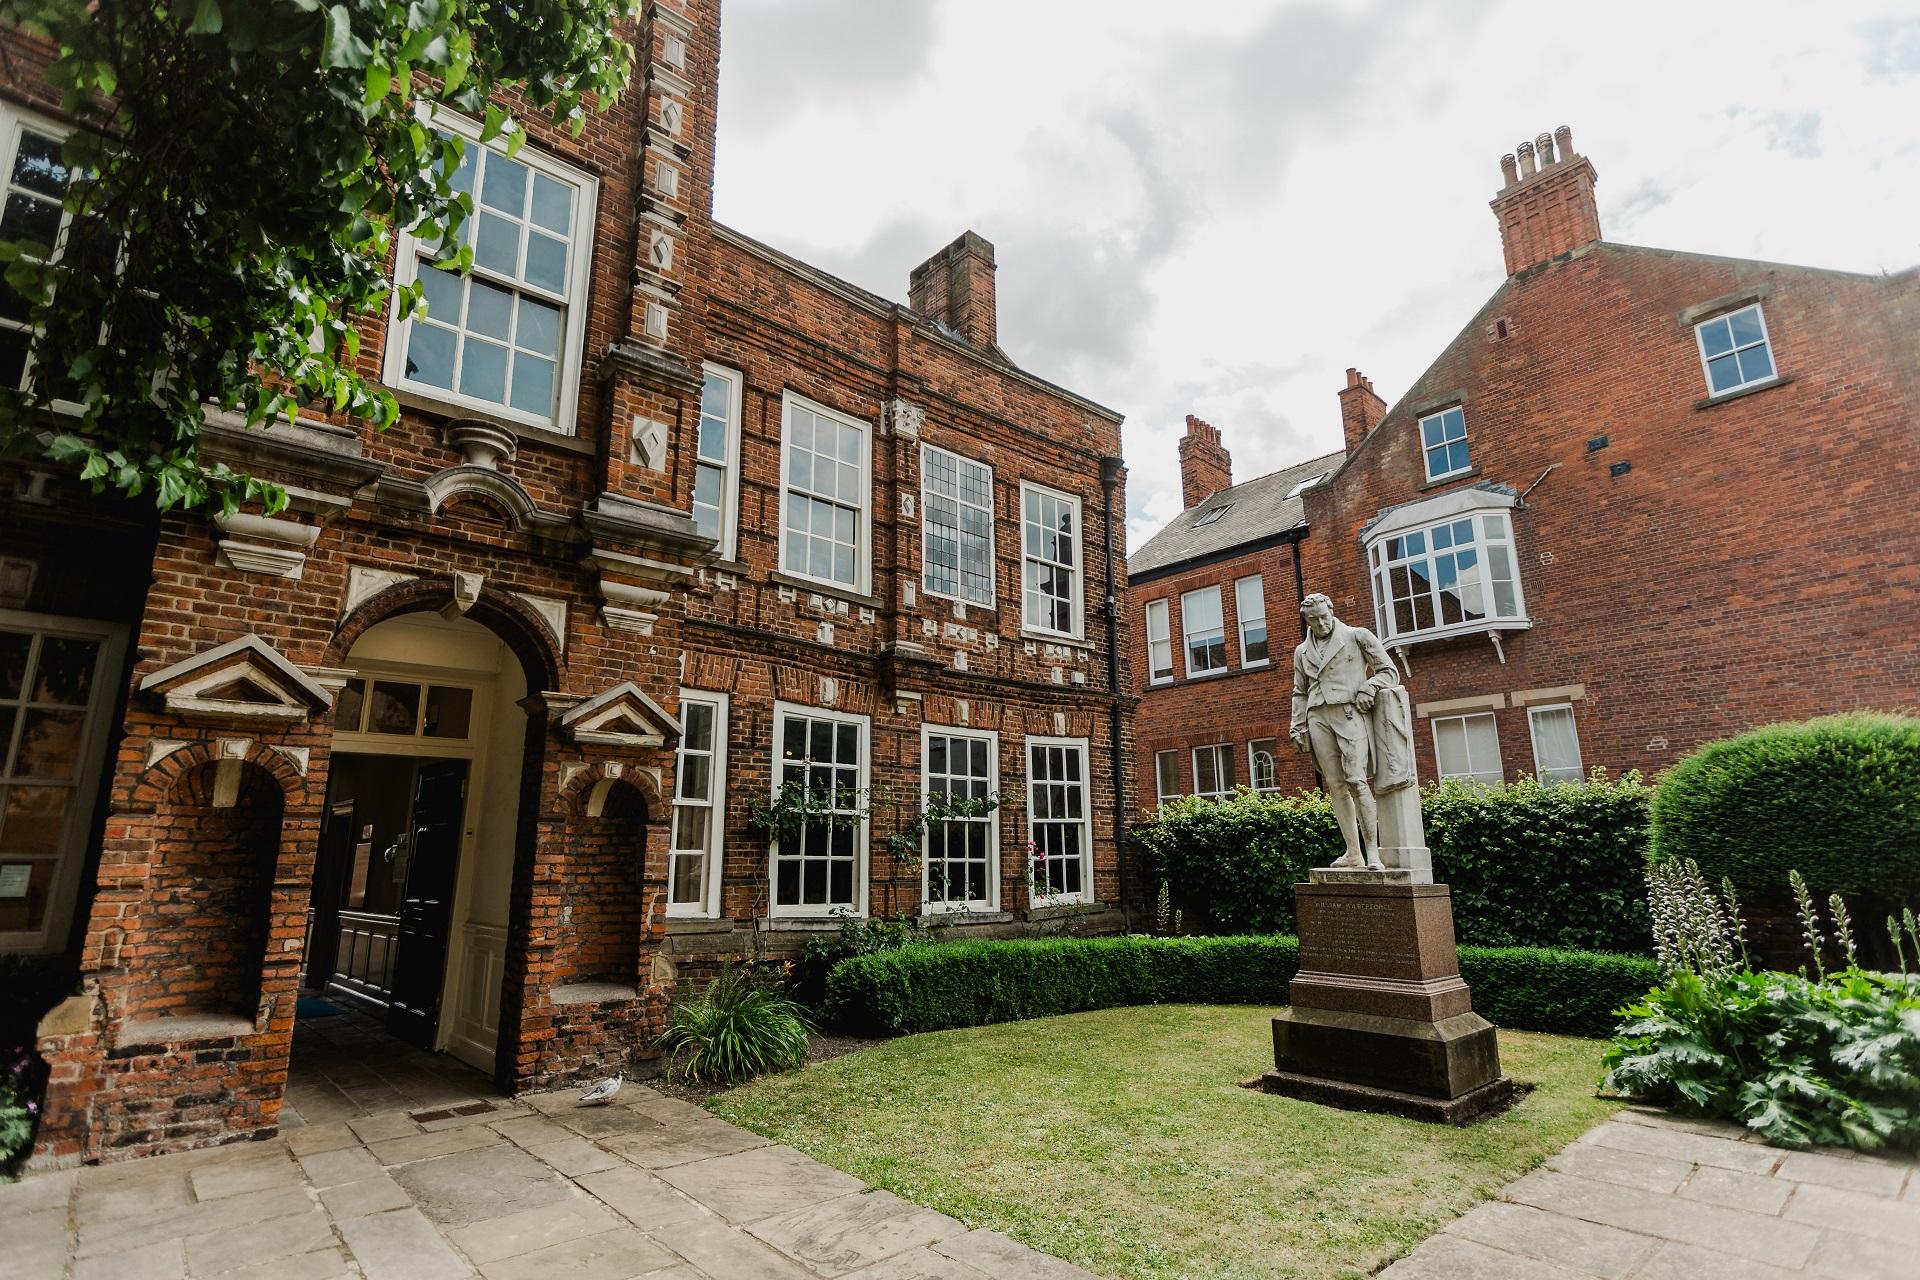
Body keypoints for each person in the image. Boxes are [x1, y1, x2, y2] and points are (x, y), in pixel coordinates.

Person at [1288, 593, 1402, 869]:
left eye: (1323, 617)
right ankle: (1353, 851)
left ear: (1331, 611)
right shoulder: (1302, 651)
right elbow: (1299, 692)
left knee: (1356, 780)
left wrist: (1369, 686)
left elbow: (1389, 672)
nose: (1320, 624)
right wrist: (1297, 725)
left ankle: (1372, 852)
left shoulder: (1357, 636)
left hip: (1349, 713)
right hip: (1317, 717)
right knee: (1336, 786)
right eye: (1313, 620)